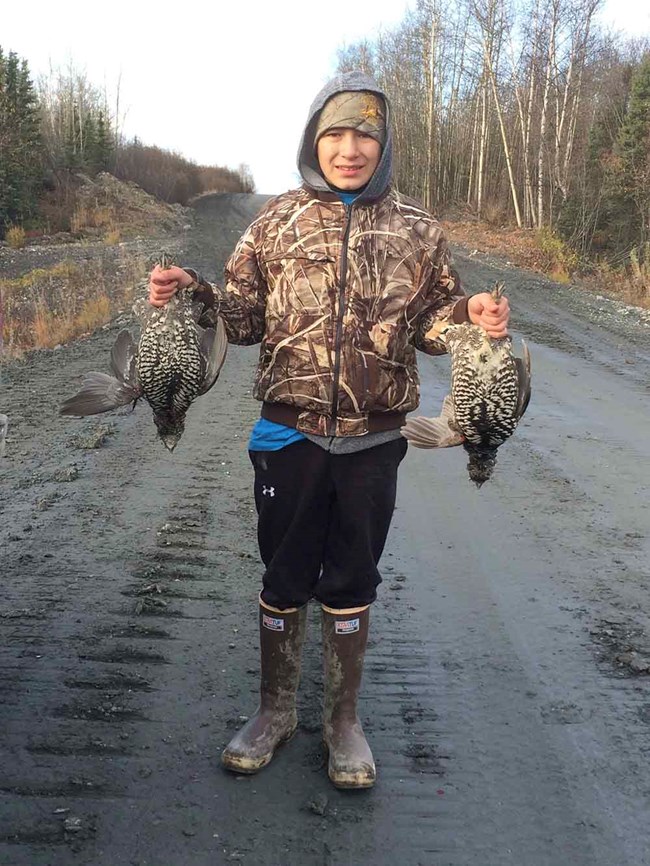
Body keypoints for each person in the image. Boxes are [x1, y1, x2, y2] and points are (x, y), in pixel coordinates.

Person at [148, 71, 510, 789]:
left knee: (352, 576)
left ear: (384, 145)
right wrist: (194, 292)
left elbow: (435, 327)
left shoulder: (417, 228)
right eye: (335, 135)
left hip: (375, 439)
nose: (349, 150)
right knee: (284, 574)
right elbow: (243, 321)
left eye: (364, 136)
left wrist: (469, 319)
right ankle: (273, 711)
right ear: (314, 141)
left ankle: (343, 722)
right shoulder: (276, 221)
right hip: (289, 434)